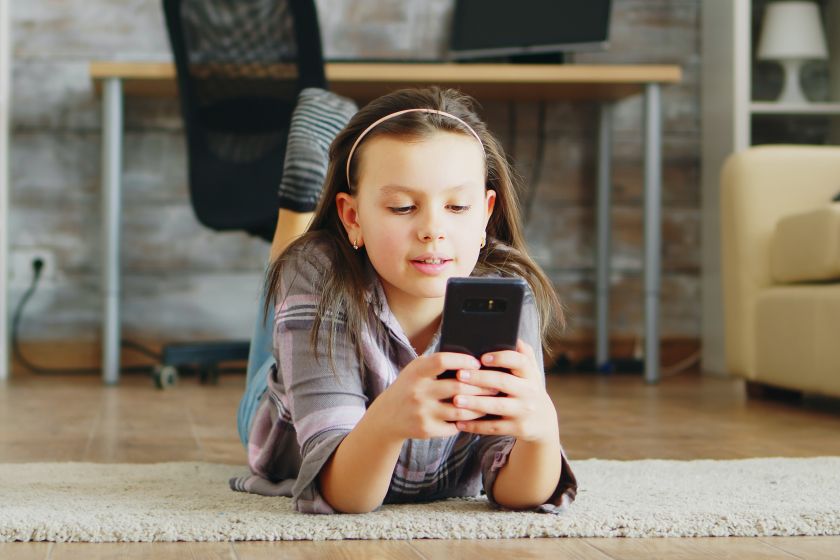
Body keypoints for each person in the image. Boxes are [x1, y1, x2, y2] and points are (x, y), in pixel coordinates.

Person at [231, 86, 577, 515]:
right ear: (353, 217)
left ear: (486, 214)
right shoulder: (314, 276)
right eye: (401, 207)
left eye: (457, 206)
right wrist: (388, 419)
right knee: (292, 269)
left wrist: (541, 433)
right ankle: (295, 211)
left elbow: (516, 493)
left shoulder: (507, 293)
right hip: (287, 410)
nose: (433, 229)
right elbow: (345, 497)